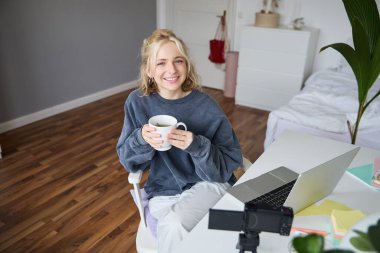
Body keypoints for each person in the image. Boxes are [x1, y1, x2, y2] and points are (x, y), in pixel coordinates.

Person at [116, 29, 243, 253]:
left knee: (174, 226)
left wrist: (197, 146)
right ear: (148, 70)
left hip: (208, 184)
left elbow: (227, 165)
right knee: (182, 236)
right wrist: (141, 139)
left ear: (187, 65)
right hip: (163, 190)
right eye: (161, 63)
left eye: (178, 61)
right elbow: (128, 162)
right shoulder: (137, 102)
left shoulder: (206, 106)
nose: (171, 70)